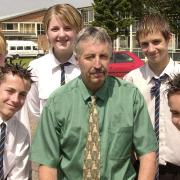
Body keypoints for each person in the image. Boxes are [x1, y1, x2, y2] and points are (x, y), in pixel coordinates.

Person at [30, 26, 157, 180]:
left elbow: (148, 154)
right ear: (77, 60)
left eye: (103, 56)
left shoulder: (131, 98)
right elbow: (47, 164)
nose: (97, 64)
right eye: (90, 57)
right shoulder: (57, 102)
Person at [124, 13, 180, 179]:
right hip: (143, 167)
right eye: (145, 44)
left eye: (156, 42)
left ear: (168, 38)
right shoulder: (132, 80)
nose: (151, 49)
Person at [27, 4, 83, 120]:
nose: (61, 34)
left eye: (67, 28)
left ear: (77, 31)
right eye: (55, 29)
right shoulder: (35, 68)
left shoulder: (86, 66)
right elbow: (35, 110)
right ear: (47, 33)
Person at [0, 62, 33, 179]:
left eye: (22, 94)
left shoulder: (21, 134)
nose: (15, 99)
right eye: (10, 91)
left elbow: (19, 176)